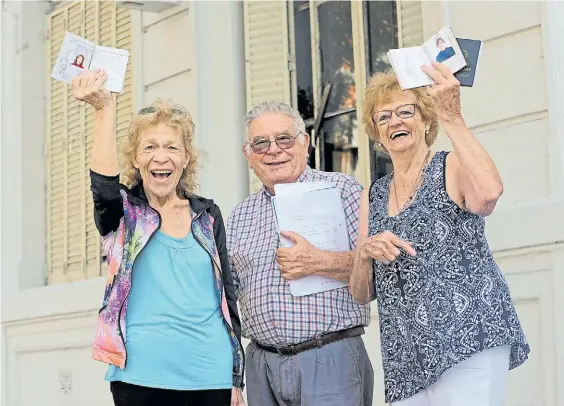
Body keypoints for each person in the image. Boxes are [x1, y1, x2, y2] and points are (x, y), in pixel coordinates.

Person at [350, 63, 530, 406]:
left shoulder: (450, 166)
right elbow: (361, 292)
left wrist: (453, 116)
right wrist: (365, 253)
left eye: (405, 111)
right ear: (375, 132)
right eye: (383, 117)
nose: (395, 122)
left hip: (468, 338)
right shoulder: (372, 195)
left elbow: (489, 194)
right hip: (406, 357)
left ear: (426, 119)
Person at [72, 69, 245, 406]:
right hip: (140, 374)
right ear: (136, 159)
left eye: (172, 147)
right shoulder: (123, 214)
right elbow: (104, 187)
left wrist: (236, 376)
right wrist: (103, 110)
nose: (161, 156)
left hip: (210, 372)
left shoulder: (208, 216)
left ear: (185, 158)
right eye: (149, 147)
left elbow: (227, 296)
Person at [226, 101, 374, 406]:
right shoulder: (239, 214)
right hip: (261, 366)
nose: (274, 150)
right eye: (261, 143)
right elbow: (226, 300)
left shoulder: (342, 190)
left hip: (329, 359)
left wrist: (320, 261)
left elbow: (376, 274)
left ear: (303, 142)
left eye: (284, 139)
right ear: (248, 155)